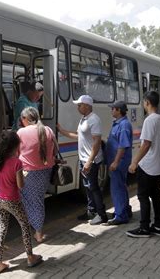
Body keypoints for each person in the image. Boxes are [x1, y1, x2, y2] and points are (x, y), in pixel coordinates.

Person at [0, 131, 42, 274]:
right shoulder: (17, 163)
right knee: (25, 226)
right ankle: (30, 257)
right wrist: (22, 175)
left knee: (1, 229)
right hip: (12, 200)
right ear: (15, 146)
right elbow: (20, 185)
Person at [57, 94, 108, 225]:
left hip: (91, 160)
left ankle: (102, 215)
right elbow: (79, 136)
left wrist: (90, 161)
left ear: (87, 106)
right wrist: (62, 131)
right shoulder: (84, 119)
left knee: (94, 187)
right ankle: (91, 211)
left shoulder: (94, 120)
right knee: (87, 187)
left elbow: (97, 143)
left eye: (79, 105)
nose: (78, 107)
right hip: (83, 159)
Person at [125, 91, 160, 237]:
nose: (143, 104)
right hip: (158, 164)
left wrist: (134, 162)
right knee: (156, 195)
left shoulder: (150, 120)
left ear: (147, 102)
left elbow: (146, 144)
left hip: (147, 164)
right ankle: (158, 226)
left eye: (144, 102)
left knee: (143, 196)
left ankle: (144, 227)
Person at [17, 107, 56, 243]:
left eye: (22, 119)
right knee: (38, 200)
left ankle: (37, 233)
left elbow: (15, 153)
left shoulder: (21, 132)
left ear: (25, 119)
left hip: (28, 173)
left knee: (28, 202)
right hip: (45, 172)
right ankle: (36, 231)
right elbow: (55, 151)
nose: (21, 122)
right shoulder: (48, 130)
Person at [104, 100, 132, 225]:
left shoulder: (124, 125)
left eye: (113, 109)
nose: (111, 111)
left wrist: (115, 162)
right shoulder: (118, 123)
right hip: (117, 161)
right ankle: (125, 210)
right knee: (121, 186)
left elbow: (122, 146)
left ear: (118, 110)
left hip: (119, 162)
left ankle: (120, 216)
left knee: (117, 189)